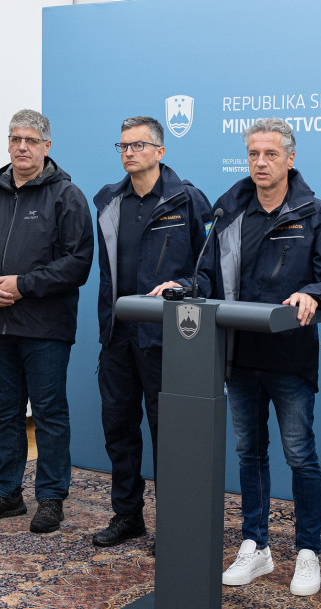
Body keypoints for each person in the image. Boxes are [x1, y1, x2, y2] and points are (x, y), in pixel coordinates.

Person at [161, 118, 321, 595]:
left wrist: (313, 292)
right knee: (250, 453)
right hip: (239, 357)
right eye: (253, 154)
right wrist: (184, 288)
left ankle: (308, 551)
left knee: (299, 455)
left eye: (270, 154)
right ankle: (257, 545)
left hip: (289, 359)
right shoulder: (228, 212)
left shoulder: (315, 213)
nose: (261, 163)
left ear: (290, 158)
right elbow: (206, 276)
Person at [0, 109, 93, 534]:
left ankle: (50, 498)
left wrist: (23, 284)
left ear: (47, 146)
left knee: (49, 413)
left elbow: (78, 263)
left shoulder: (67, 196)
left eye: (31, 140)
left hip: (45, 328)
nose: (22, 147)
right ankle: (7, 493)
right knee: (5, 412)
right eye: (15, 139)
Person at [91, 116, 211, 548]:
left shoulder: (188, 200)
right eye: (123, 146)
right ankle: (128, 515)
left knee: (169, 435)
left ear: (160, 152)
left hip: (167, 340)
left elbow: (209, 268)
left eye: (138, 146)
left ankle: (174, 521)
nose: (129, 153)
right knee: (119, 429)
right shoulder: (107, 201)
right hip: (117, 335)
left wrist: (185, 287)